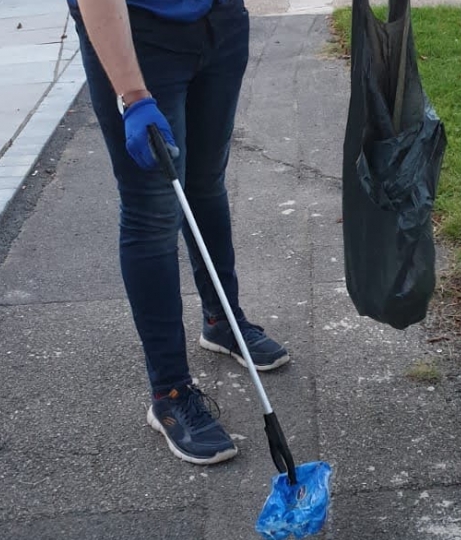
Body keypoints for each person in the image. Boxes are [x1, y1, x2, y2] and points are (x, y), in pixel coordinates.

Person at [66, 0, 289, 466]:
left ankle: (223, 322)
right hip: (139, 37)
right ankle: (169, 392)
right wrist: (132, 94)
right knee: (152, 214)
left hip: (220, 24)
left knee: (205, 184)